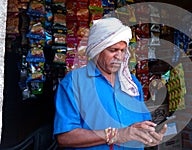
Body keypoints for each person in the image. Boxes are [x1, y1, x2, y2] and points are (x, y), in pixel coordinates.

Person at [53, 17, 167, 150]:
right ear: (97, 51)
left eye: (123, 50)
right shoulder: (74, 83)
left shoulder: (131, 83)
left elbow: (141, 125)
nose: (119, 56)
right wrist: (116, 135)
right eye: (113, 50)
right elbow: (65, 137)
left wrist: (150, 137)